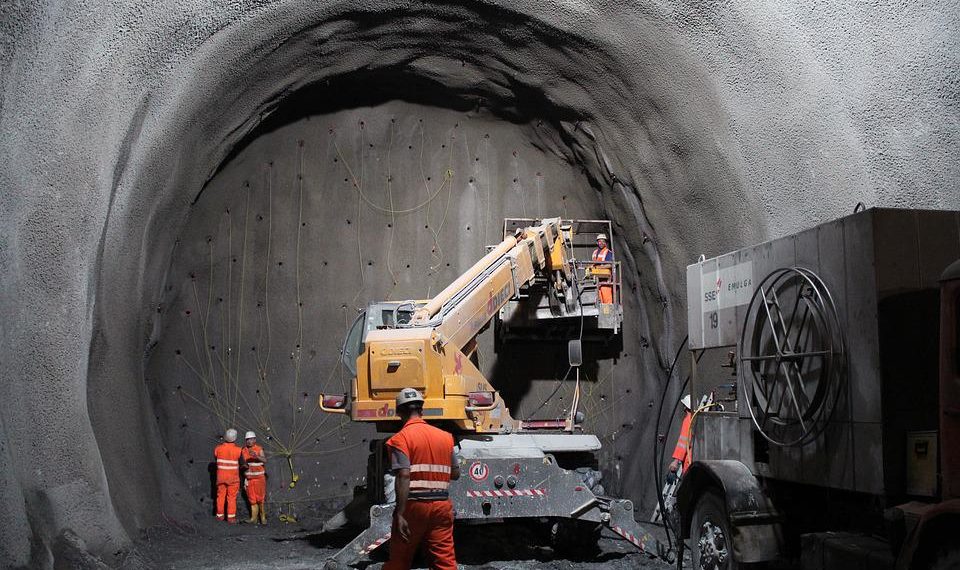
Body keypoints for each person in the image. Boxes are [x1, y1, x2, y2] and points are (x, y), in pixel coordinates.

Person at [384, 388, 460, 570]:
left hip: (414, 507)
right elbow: (455, 473)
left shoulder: (399, 439)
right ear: (422, 410)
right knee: (445, 560)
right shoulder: (445, 438)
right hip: (441, 506)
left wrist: (400, 513)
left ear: (399, 412)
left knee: (399, 560)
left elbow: (404, 474)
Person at [214, 428, 244, 523]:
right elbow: (243, 463)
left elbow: (216, 457)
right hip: (233, 478)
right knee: (231, 497)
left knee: (220, 496)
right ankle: (231, 518)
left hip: (221, 477)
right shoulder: (239, 450)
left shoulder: (218, 449)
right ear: (235, 438)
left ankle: (220, 516)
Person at [241, 431, 267, 525]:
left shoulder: (259, 449)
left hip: (259, 478)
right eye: (247, 439)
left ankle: (263, 517)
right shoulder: (243, 450)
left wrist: (257, 456)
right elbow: (242, 464)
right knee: (252, 499)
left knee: (260, 499)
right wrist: (243, 467)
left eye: (251, 439)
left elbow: (265, 460)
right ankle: (253, 518)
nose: (249, 441)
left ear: (255, 440)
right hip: (249, 479)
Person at [668, 395, 693, 482]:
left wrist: (676, 461)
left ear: (685, 407)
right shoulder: (698, 419)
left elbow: (684, 442)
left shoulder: (688, 420)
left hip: (689, 464)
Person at [591, 233, 615, 304]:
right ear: (597, 242)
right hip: (597, 280)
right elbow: (593, 264)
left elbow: (610, 265)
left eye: (603, 241)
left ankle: (608, 314)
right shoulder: (595, 252)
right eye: (599, 241)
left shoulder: (608, 252)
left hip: (606, 280)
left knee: (607, 300)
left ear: (605, 243)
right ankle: (601, 314)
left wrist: (599, 267)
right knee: (599, 301)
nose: (601, 243)